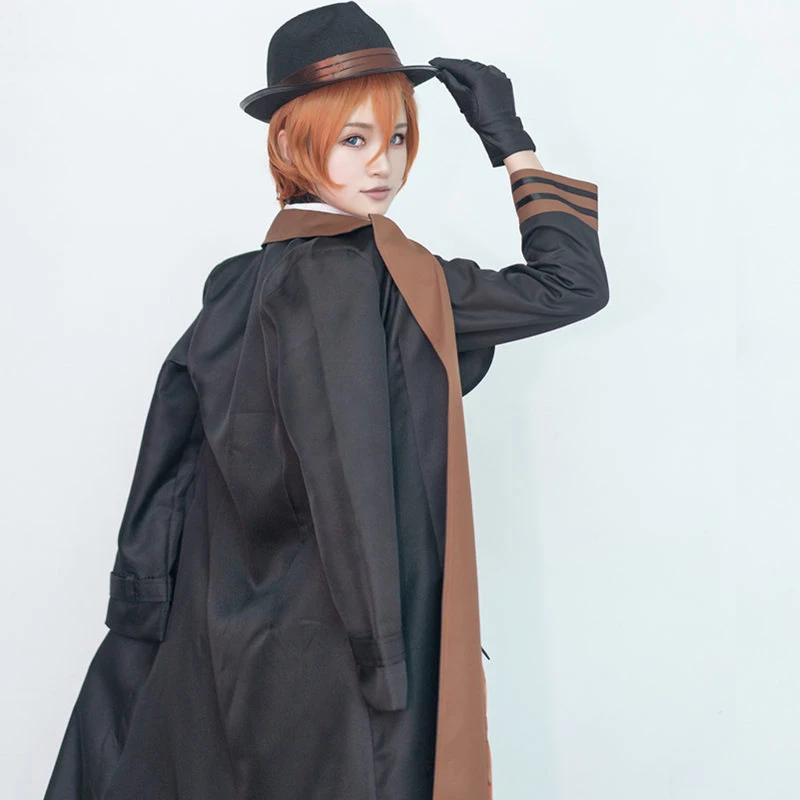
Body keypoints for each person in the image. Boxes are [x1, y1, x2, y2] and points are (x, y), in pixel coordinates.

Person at [43, 3, 610, 799]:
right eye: (354, 139)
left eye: (398, 137)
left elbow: (167, 472)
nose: (384, 163)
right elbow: (572, 285)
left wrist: (141, 612)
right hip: (352, 658)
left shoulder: (236, 287)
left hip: (222, 644)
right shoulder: (391, 282)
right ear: (290, 144)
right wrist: (511, 142)